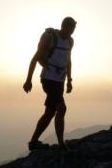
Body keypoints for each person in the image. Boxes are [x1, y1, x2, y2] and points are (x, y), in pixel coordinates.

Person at [23, 16, 76, 151]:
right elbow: (35, 58)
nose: (72, 31)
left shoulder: (70, 41)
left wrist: (69, 80)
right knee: (62, 108)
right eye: (70, 28)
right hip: (48, 79)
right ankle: (61, 145)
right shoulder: (50, 38)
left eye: (73, 28)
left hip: (60, 81)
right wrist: (28, 80)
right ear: (64, 26)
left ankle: (33, 142)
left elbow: (68, 60)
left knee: (50, 112)